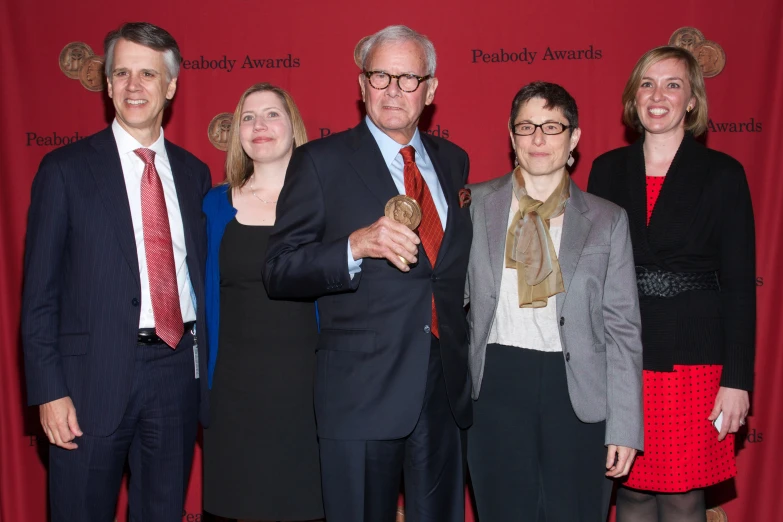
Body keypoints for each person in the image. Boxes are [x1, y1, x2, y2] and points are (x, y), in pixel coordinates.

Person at [263, 25, 473, 522]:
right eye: (381, 76)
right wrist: (354, 246)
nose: (394, 90)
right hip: (361, 389)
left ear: (431, 89)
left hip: (444, 387)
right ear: (361, 86)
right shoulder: (319, 161)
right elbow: (279, 269)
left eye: (408, 77)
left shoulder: (453, 161)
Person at [22, 22, 210, 522]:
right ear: (106, 85)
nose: (133, 86)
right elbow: (39, 293)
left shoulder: (194, 174)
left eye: (148, 74)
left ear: (170, 86)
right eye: (121, 73)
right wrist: (48, 391)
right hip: (87, 383)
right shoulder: (64, 170)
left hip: (175, 374)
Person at [587, 46, 755, 522]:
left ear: (692, 102)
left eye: (672, 85)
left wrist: (737, 381)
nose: (657, 95)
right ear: (633, 98)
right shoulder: (606, 170)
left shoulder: (723, 174)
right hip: (625, 356)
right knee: (632, 492)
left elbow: (740, 286)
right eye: (647, 83)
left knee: (683, 496)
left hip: (695, 364)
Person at [465, 81, 644, 522]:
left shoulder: (607, 220)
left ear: (574, 137)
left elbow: (622, 328)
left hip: (578, 392)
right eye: (526, 126)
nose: (539, 139)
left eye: (552, 126)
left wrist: (625, 426)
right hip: (496, 385)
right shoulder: (473, 204)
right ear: (511, 136)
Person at [201, 83, 323, 522]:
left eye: (272, 114)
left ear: (294, 126)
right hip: (232, 395)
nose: (259, 125)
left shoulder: (326, 207)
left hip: (308, 395)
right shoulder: (212, 206)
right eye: (248, 117)